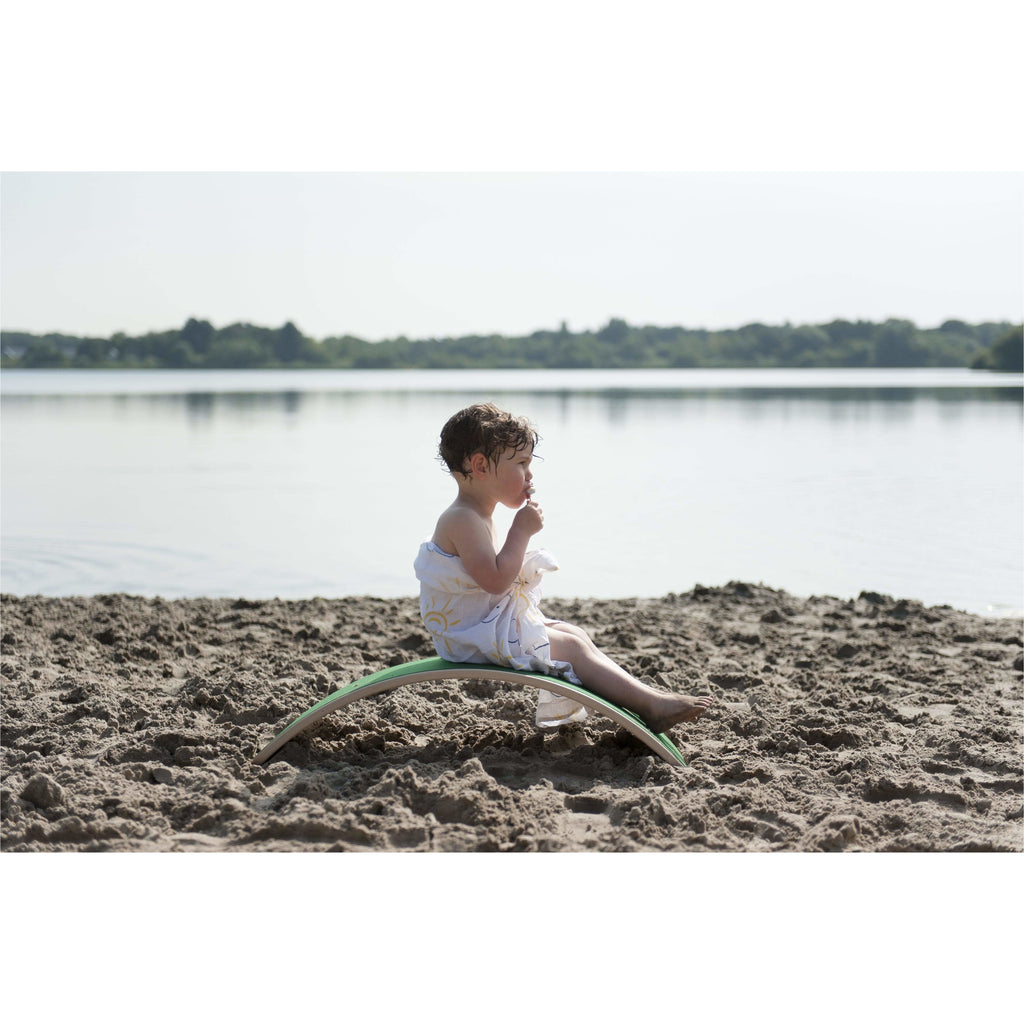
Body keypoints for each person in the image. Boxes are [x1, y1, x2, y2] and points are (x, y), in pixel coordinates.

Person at [413, 402, 714, 734]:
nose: (530, 475)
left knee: (574, 635)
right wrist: (520, 531)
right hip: (468, 637)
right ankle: (652, 706)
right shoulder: (462, 519)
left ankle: (647, 700)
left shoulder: (476, 515)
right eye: (521, 464)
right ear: (481, 466)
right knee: (570, 649)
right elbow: (496, 581)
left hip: (481, 627)